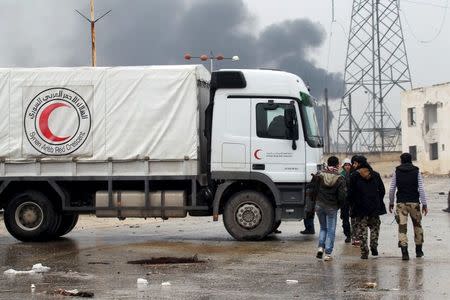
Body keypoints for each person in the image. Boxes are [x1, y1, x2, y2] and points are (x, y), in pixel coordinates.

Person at [388, 153, 428, 260]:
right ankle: (419, 251)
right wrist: (424, 204)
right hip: (414, 203)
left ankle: (404, 252)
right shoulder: (416, 171)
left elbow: (392, 189)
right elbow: (421, 188)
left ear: (401, 161)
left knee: (402, 227)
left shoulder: (397, 171)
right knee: (417, 226)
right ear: (411, 160)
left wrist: (391, 202)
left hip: (401, 203)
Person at [348, 158, 386, 259]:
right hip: (374, 206)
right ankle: (373, 245)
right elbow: (382, 190)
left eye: (355, 163)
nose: (354, 165)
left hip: (360, 207)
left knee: (362, 230)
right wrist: (378, 200)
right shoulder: (375, 175)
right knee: (375, 227)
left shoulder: (354, 176)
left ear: (359, 164)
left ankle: (364, 252)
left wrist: (352, 204)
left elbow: (350, 193)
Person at [310, 156, 346, 261]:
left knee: (323, 228)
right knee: (331, 230)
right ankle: (328, 253)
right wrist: (339, 205)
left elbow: (313, 189)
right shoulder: (340, 178)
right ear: (337, 165)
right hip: (332, 206)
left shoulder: (320, 174)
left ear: (328, 163)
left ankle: (321, 248)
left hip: (319, 204)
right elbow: (342, 195)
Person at [340, 158, 352, 243]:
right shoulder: (341, 175)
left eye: (349, 165)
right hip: (344, 200)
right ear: (343, 166)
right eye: (346, 165)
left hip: (352, 199)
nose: (347, 167)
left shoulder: (354, 174)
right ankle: (348, 234)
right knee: (345, 218)